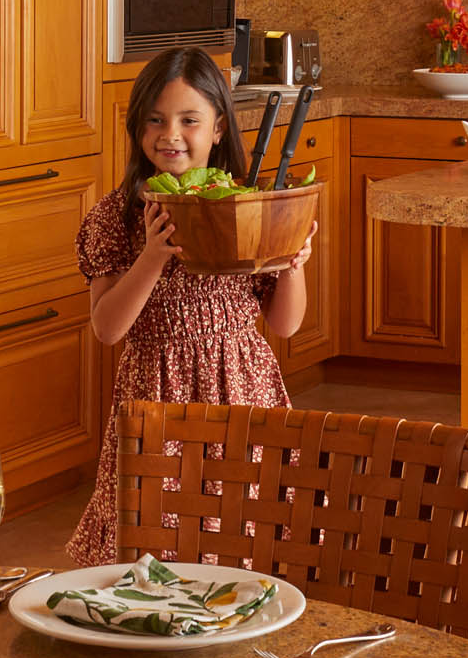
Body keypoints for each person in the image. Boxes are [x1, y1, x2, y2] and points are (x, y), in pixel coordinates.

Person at [68, 47, 315, 567]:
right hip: (155, 398)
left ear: (219, 128)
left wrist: (291, 259)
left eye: (189, 120)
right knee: (156, 538)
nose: (170, 134)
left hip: (243, 391)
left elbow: (285, 323)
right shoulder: (115, 219)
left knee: (244, 530)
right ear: (137, 129)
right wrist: (153, 256)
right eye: (155, 120)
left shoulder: (245, 206)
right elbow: (108, 329)